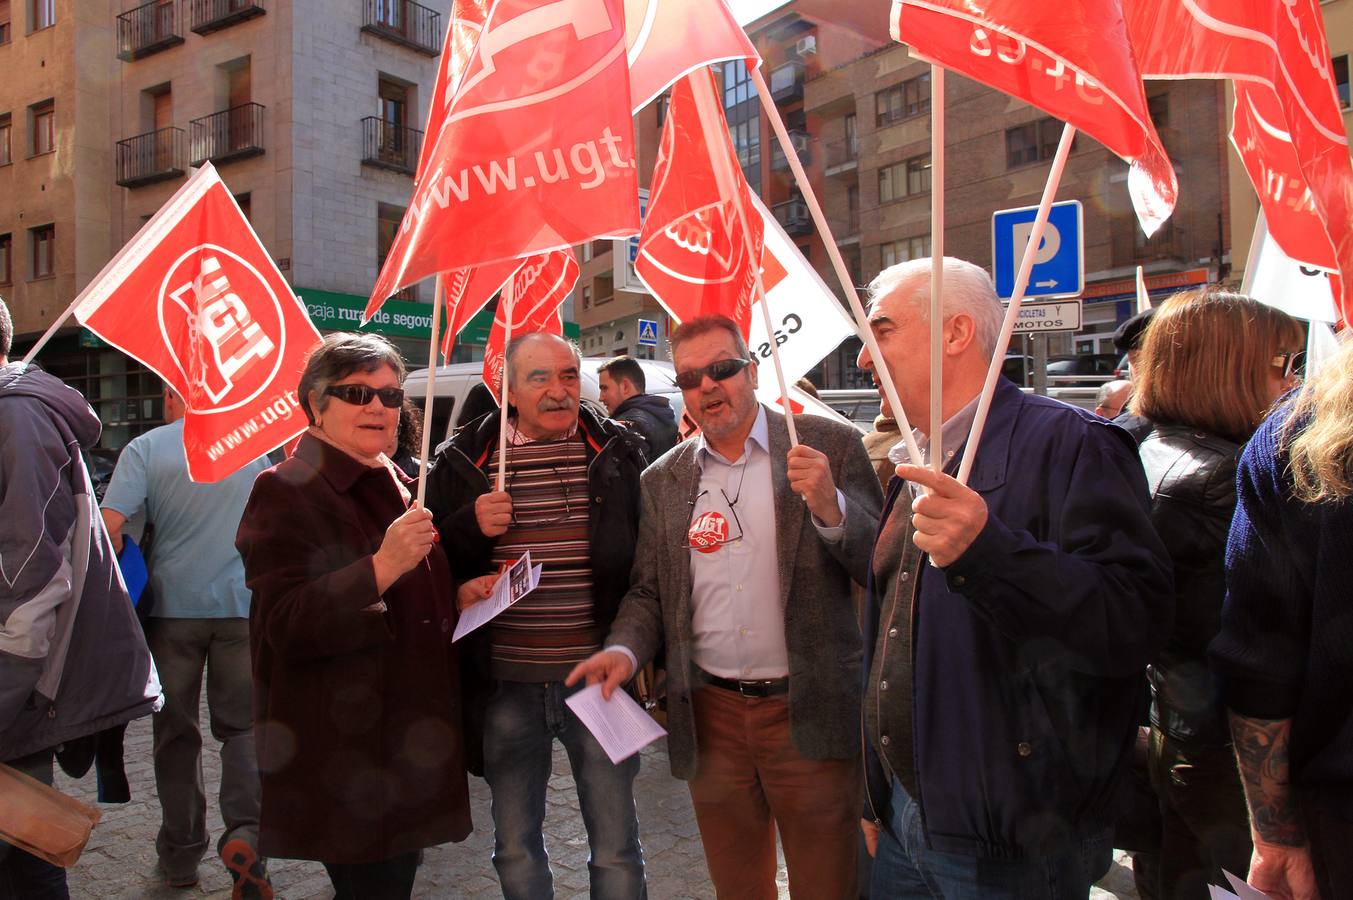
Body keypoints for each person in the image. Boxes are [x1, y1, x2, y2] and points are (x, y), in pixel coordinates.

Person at [855, 258, 1173, 899]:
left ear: (956, 332)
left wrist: (990, 552)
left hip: (1015, 838)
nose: (864, 358)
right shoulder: (915, 456)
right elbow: (888, 633)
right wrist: (876, 791)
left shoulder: (1074, 444)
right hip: (907, 817)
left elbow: (1131, 621)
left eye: (881, 330)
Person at [568, 314, 883, 900]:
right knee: (737, 887)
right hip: (711, 719)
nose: (708, 386)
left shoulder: (826, 445)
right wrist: (624, 650)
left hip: (808, 710)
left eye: (722, 369)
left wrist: (830, 506)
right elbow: (650, 590)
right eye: (691, 378)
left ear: (753, 371)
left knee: (828, 886)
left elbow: (879, 564)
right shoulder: (664, 478)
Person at [235, 333, 471, 899]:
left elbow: (410, 592)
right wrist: (381, 566)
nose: (377, 406)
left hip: (404, 739)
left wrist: (458, 593)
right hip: (349, 752)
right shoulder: (285, 489)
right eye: (357, 393)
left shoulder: (394, 478)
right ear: (316, 405)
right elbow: (285, 622)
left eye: (390, 395)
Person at [424, 332, 648, 900]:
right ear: (509, 392)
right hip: (506, 687)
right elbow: (426, 564)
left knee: (618, 848)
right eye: (539, 378)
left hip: (598, 682)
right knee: (515, 848)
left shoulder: (617, 452)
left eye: (569, 376)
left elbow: (646, 567)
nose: (558, 390)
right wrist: (469, 527)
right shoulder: (462, 462)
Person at [1132, 290, 1304, 899]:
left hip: (1176, 729)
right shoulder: (1229, 474)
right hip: (1231, 757)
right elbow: (1257, 643)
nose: (1295, 380)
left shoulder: (1146, 446)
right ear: (1230, 369)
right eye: (1283, 362)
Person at [0, 297, 161, 899]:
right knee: (22, 841)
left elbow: (31, 577)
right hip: (20, 676)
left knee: (24, 839)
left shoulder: (16, 416)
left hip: (17, 677)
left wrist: (6, 686)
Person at [99, 384, 273, 896]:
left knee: (175, 734)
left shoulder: (146, 448)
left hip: (170, 611)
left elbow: (108, 525)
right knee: (242, 730)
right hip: (241, 607)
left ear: (174, 398)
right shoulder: (252, 448)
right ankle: (246, 835)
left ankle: (180, 853)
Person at [1210, 335, 1353, 900]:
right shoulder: (1299, 435)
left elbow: (1262, 665)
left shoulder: (1301, 431)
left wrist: (1275, 839)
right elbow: (1260, 663)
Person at [597, 355, 679, 461]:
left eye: (604, 388)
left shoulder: (627, 427)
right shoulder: (665, 416)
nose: (600, 398)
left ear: (625, 386)